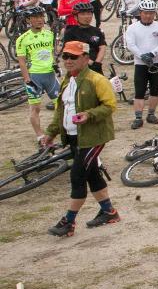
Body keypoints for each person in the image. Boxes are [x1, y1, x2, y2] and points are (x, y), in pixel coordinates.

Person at [42, 40, 120, 237]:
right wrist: (51, 132)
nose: (68, 61)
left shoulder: (96, 80)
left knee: (77, 176)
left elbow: (110, 105)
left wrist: (89, 115)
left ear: (85, 58)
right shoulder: (67, 81)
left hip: (93, 137)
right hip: (75, 137)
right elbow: (61, 111)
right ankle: (109, 212)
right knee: (92, 174)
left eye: (73, 57)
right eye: (65, 56)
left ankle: (68, 221)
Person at [15, 6, 60, 137]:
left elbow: (52, 53)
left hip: (50, 75)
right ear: (29, 20)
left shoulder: (49, 34)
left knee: (61, 105)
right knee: (35, 108)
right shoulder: (22, 39)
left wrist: (55, 65)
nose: (40, 19)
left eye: (41, 16)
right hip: (35, 76)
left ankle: (59, 131)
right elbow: (22, 62)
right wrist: (27, 80)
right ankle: (40, 136)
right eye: (35, 17)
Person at [124, 0, 158, 128]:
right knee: (140, 91)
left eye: (151, 13)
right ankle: (138, 117)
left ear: (155, 13)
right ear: (140, 13)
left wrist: (152, 54)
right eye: (145, 13)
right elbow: (130, 44)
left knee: (155, 90)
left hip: (156, 62)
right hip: (140, 63)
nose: (148, 15)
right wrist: (142, 55)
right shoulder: (132, 28)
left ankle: (151, 114)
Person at [61, 2, 108, 74]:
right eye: (83, 14)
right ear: (76, 17)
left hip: (96, 67)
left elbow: (102, 47)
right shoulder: (70, 32)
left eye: (89, 14)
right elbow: (67, 51)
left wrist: (97, 62)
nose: (87, 16)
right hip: (78, 67)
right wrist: (87, 62)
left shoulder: (97, 31)